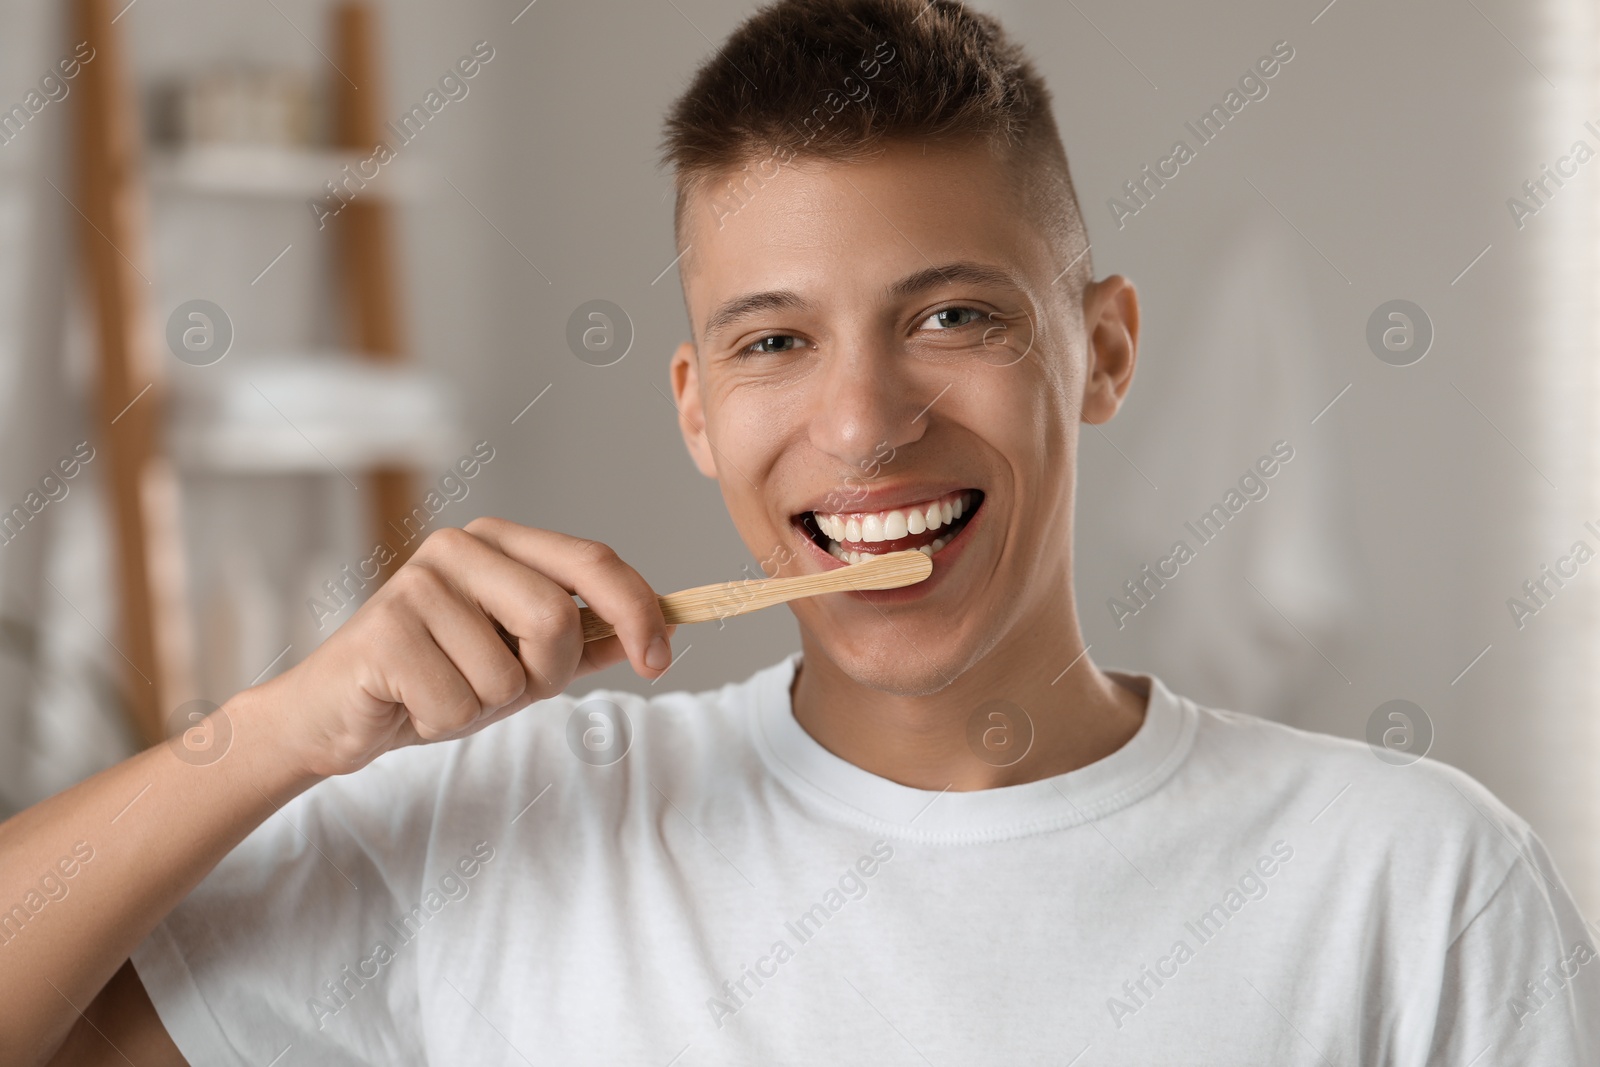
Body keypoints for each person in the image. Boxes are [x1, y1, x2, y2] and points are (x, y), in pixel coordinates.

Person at [7, 1, 1597, 1063]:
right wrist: (276, 732)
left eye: (953, 314)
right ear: (697, 408)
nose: (862, 424)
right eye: (776, 342)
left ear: (1102, 349)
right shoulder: (502, 827)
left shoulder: (1411, 881)